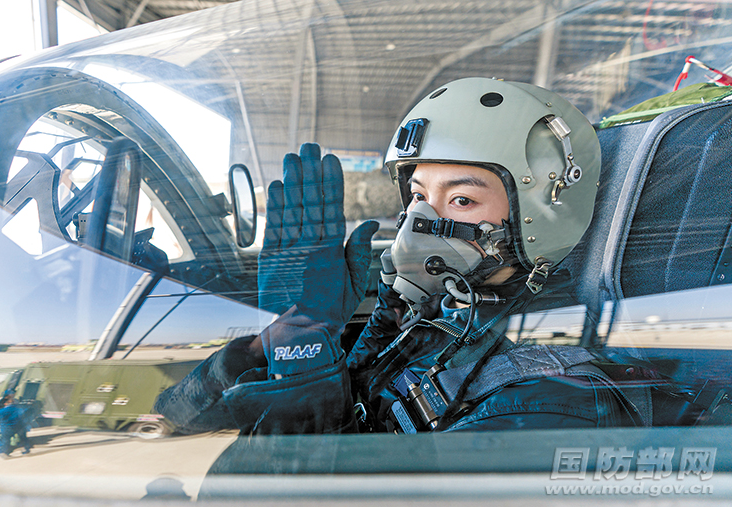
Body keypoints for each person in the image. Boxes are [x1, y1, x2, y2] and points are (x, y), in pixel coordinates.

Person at [155, 77, 647, 434]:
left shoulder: (551, 402)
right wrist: (285, 340)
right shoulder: (432, 321)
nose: (419, 221)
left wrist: (303, 371)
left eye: (461, 200)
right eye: (417, 195)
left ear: (541, 214)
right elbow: (174, 416)